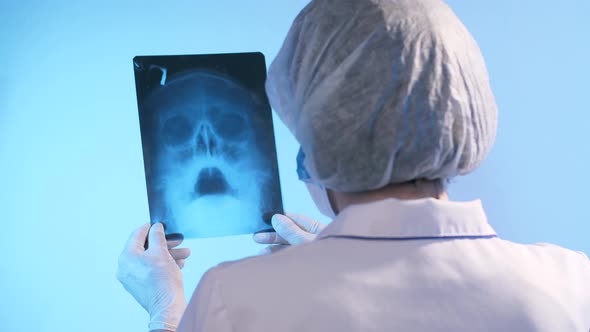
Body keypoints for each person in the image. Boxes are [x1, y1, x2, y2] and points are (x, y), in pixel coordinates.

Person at [116, 0, 590, 331]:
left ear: (317, 141)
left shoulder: (233, 298)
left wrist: (168, 313)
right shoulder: (572, 283)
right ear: (464, 113)